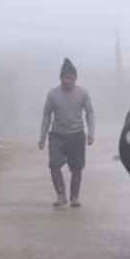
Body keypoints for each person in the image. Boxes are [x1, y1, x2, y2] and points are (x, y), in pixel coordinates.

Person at [39, 58, 95, 208]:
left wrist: (91, 132)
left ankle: (74, 197)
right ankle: (61, 195)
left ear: (75, 78)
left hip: (77, 135)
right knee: (54, 165)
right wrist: (42, 137)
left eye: (71, 77)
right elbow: (46, 116)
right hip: (57, 135)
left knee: (77, 168)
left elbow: (89, 113)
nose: (68, 80)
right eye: (66, 77)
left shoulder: (82, 93)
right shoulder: (52, 94)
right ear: (61, 78)